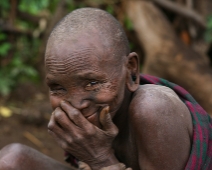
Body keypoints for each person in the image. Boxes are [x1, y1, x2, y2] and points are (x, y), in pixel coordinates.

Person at [0, 8, 212, 170]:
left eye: (92, 83)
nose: (77, 105)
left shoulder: (152, 108)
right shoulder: (92, 120)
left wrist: (100, 158)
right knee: (12, 160)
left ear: (131, 70)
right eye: (58, 88)